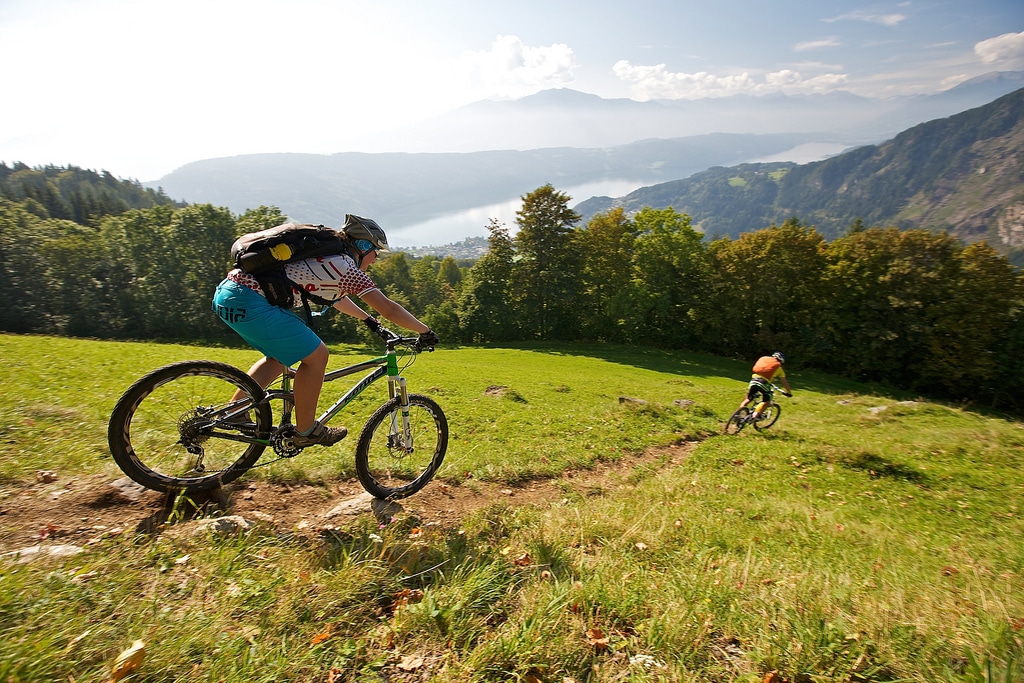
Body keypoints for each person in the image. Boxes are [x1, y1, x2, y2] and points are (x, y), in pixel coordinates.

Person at [212, 217, 439, 448]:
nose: (375, 259)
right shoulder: (345, 267)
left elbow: (337, 298)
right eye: (376, 252)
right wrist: (426, 330)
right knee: (318, 356)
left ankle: (236, 411)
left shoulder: (329, 259)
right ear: (363, 247)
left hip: (229, 295)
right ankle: (306, 431)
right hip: (251, 303)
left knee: (277, 359)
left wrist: (369, 321)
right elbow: (389, 308)